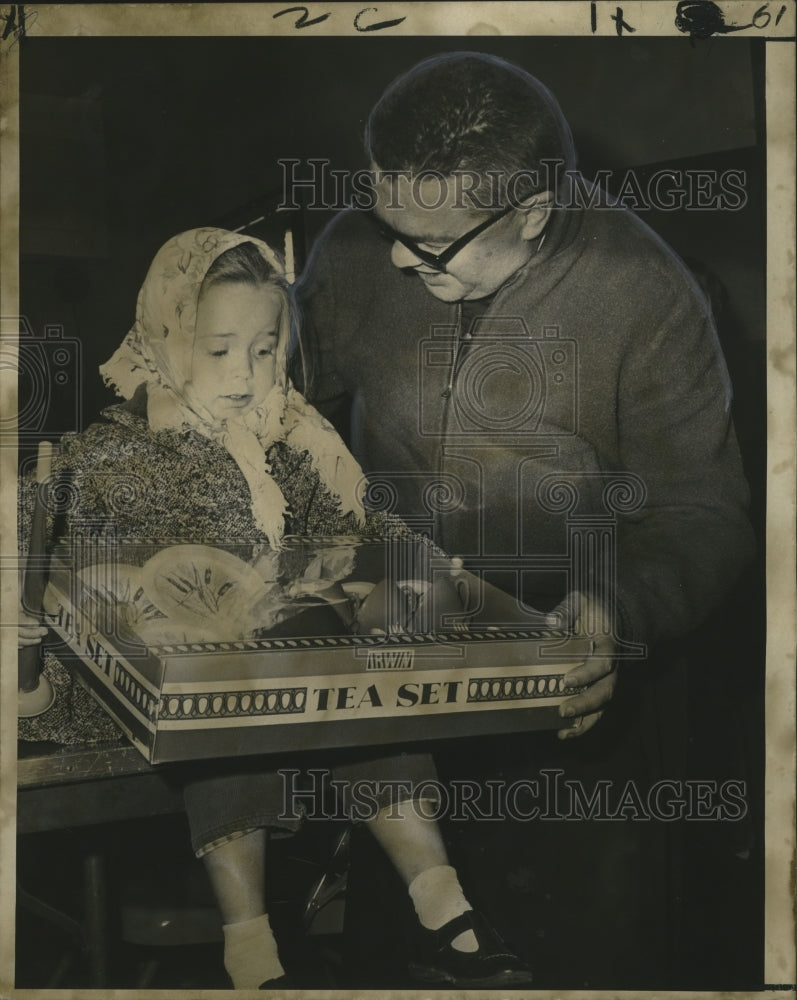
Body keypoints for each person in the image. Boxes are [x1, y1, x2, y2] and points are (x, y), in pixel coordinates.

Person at [294, 53, 757, 983]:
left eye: (428, 245)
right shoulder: (359, 243)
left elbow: (703, 512)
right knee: (406, 962)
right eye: (386, 221)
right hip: (404, 684)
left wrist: (616, 608)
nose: (391, 256)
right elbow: (281, 405)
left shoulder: (648, 292)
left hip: (571, 687)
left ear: (532, 214)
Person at [18, 227, 533, 989]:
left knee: (369, 685)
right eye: (218, 349)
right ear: (164, 334)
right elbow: (63, 576)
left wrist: (425, 574)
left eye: (265, 350)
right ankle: (251, 944)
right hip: (171, 691)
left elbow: (369, 532)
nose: (244, 374)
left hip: (304, 668)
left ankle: (440, 901)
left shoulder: (298, 439)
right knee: (232, 710)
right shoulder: (106, 454)